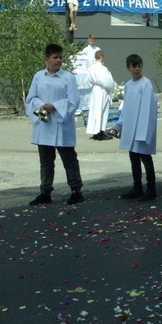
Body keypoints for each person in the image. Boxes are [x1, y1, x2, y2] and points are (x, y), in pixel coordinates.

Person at [25, 43, 84, 206]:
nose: (58, 60)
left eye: (60, 57)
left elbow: (73, 101)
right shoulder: (38, 77)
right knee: (45, 161)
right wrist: (41, 105)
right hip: (44, 124)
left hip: (61, 125)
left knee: (69, 159)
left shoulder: (68, 78)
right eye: (55, 57)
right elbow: (30, 99)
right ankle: (45, 192)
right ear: (46, 59)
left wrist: (56, 106)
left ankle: (76, 190)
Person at [112, 54, 158, 202]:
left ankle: (151, 189)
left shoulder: (146, 84)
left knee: (145, 158)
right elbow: (126, 109)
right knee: (134, 158)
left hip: (142, 128)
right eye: (134, 66)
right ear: (128, 68)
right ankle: (137, 187)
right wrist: (119, 126)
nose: (137, 69)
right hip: (131, 127)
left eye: (139, 66)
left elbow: (148, 109)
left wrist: (143, 131)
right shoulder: (128, 85)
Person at [86, 50, 116, 141]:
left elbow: (89, 80)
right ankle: (100, 132)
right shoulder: (102, 69)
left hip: (95, 90)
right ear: (102, 57)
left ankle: (95, 131)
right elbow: (107, 81)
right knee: (101, 110)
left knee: (95, 110)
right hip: (102, 90)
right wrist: (112, 87)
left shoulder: (91, 68)